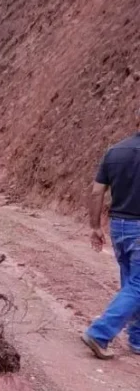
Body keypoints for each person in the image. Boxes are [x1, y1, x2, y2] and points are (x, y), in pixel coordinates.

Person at [82, 120, 140, 359]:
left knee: (132, 283)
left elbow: (97, 192)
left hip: (119, 226)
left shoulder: (114, 151)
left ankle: (137, 340)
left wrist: (95, 226)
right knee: (137, 286)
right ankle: (100, 333)